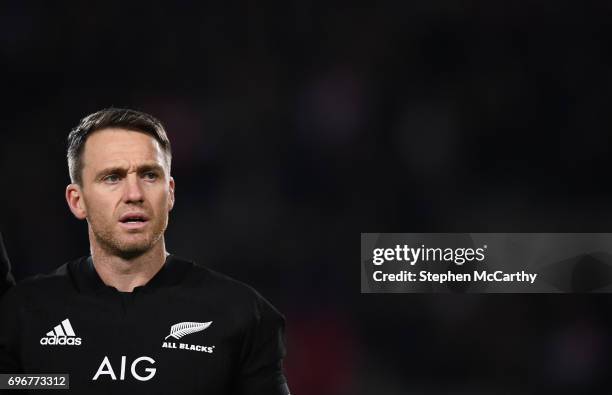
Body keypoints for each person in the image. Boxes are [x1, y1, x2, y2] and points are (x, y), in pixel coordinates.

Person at [0, 108, 291, 394]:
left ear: (171, 192)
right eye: (112, 177)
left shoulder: (242, 315)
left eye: (149, 175)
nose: (134, 194)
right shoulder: (23, 315)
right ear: (77, 200)